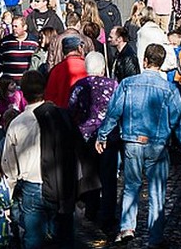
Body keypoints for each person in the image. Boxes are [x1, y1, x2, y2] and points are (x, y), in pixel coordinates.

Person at [95, 44, 181, 247]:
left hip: (131, 142)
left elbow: (113, 113)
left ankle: (127, 228)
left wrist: (102, 135)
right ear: (161, 63)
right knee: (157, 191)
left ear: (144, 61)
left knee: (131, 186)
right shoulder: (169, 89)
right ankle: (155, 237)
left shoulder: (128, 84)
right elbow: (179, 119)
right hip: (157, 144)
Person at [1, 71, 78, 249]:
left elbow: (9, 166)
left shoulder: (18, 123)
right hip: (60, 182)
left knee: (34, 239)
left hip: (32, 185)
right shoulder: (60, 115)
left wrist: (9, 191)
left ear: (24, 93)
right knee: (63, 237)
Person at [67, 52, 119, 229]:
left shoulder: (79, 86)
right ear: (103, 68)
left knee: (90, 175)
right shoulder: (113, 85)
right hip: (108, 137)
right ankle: (108, 214)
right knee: (109, 177)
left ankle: (91, 210)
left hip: (85, 137)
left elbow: (71, 110)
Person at [0, 16, 39, 83]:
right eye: (13, 26)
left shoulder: (34, 42)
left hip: (26, 83)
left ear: (24, 27)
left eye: (16, 26)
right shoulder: (5, 42)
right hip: (9, 83)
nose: (14, 29)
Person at [45, 36, 88, 108]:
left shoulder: (56, 69)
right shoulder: (87, 66)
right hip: (83, 112)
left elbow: (49, 97)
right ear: (79, 49)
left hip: (62, 114)